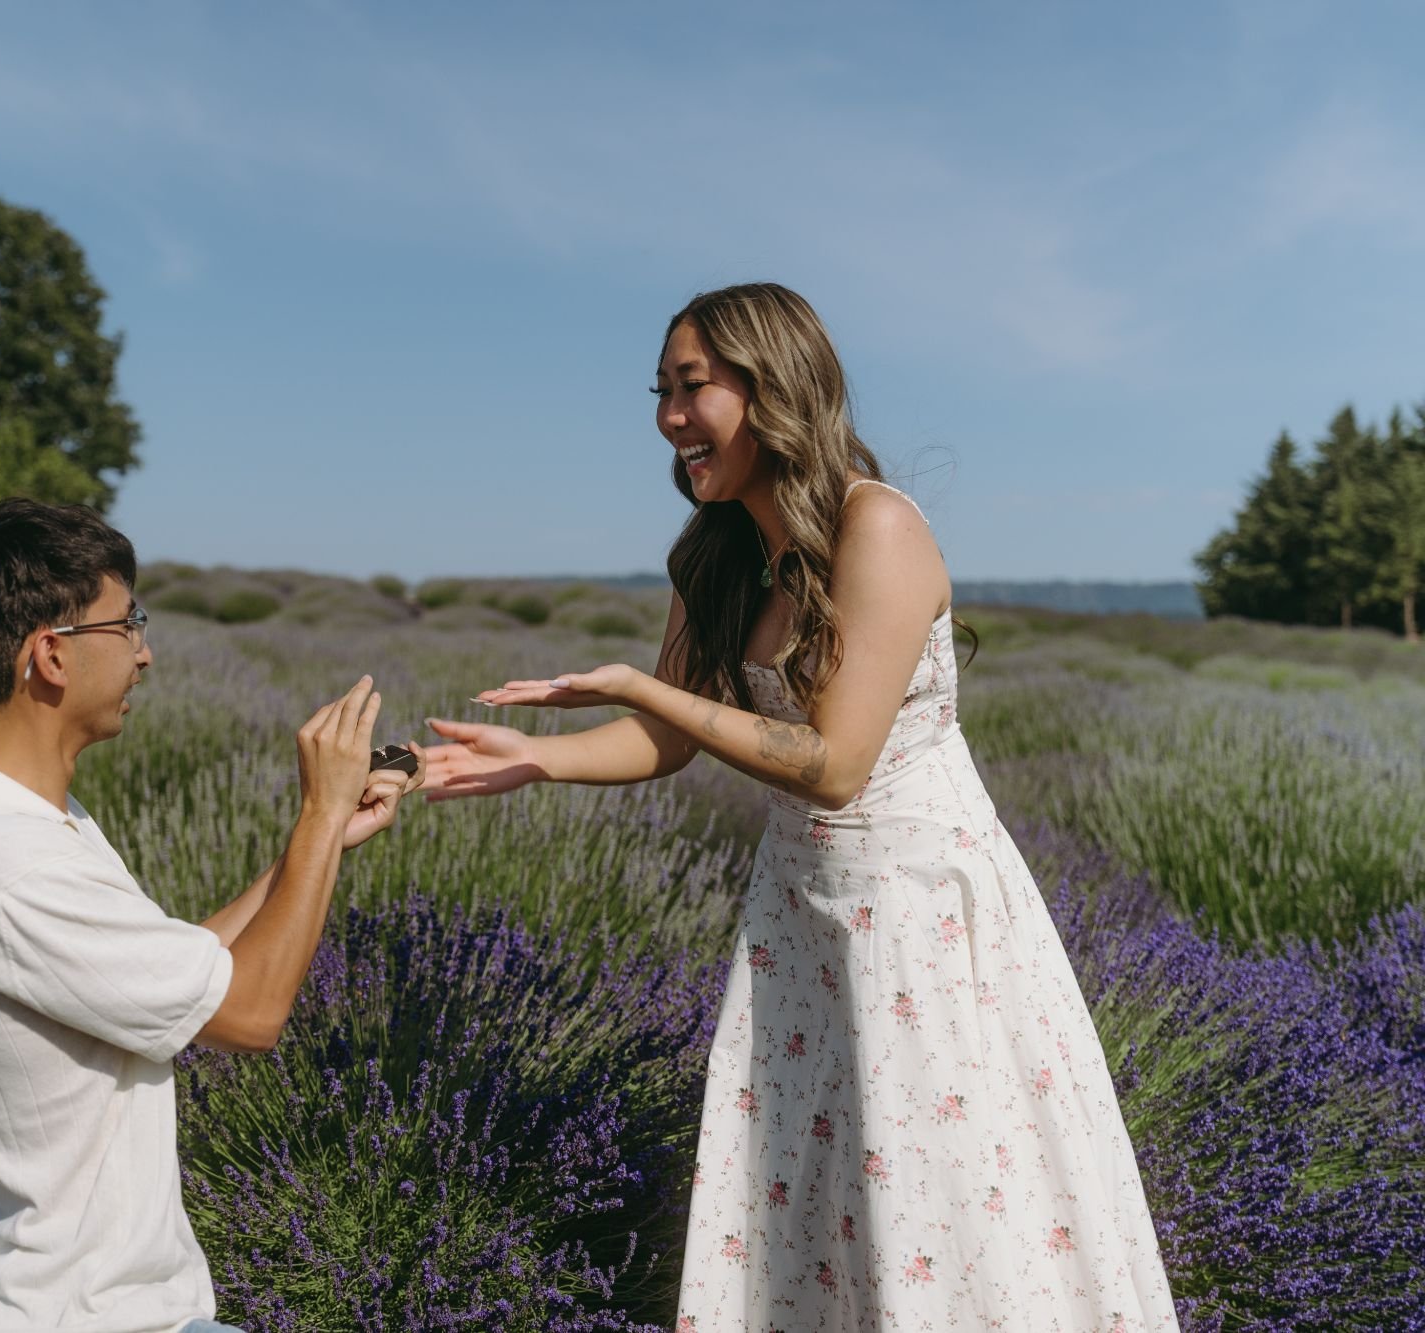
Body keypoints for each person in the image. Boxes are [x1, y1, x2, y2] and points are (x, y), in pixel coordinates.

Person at [420, 284, 1177, 1330]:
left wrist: (641, 685)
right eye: (660, 392)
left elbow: (833, 765)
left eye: (691, 387)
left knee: (944, 1206)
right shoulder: (717, 549)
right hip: (798, 922)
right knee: (815, 1219)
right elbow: (671, 738)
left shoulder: (878, 528)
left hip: (914, 925)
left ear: (770, 387)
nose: (669, 418)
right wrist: (538, 760)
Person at [0, 497, 420, 1333]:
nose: (144, 653)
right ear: (52, 655)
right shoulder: (11, 860)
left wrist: (319, 841)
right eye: (127, 624)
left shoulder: (28, 824)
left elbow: (184, 963)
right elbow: (250, 1012)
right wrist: (320, 813)